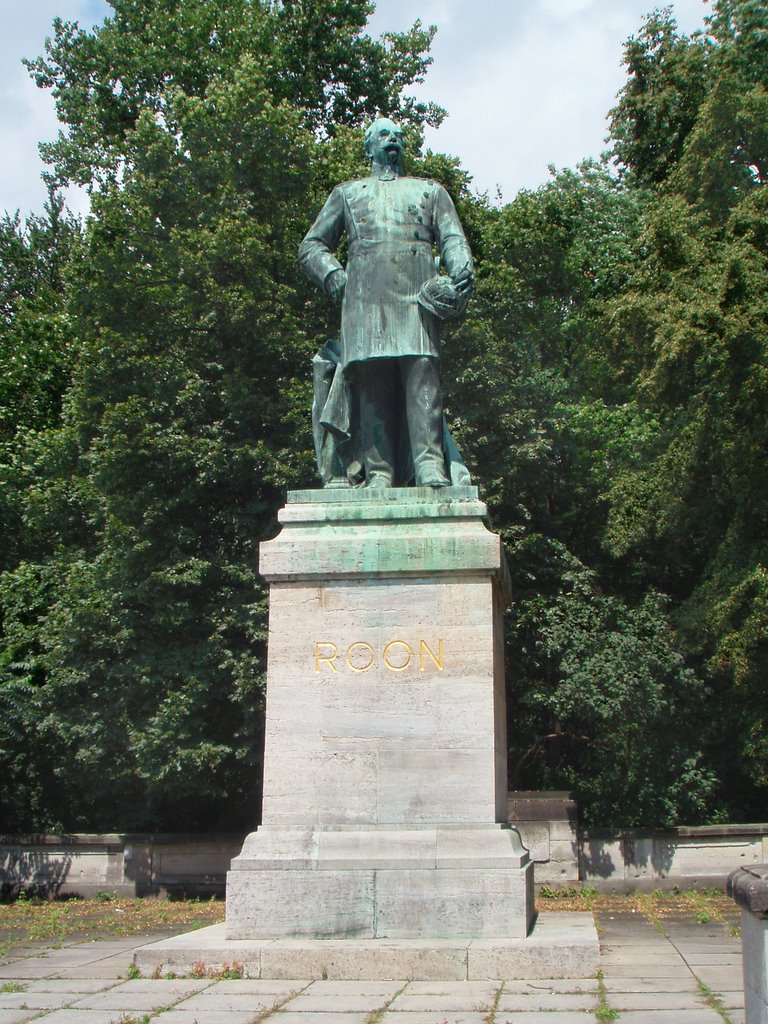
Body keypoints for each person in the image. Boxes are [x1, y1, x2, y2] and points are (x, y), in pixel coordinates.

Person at [298, 117, 473, 488]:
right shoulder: (347, 193)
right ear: (369, 147)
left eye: (398, 136)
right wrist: (333, 276)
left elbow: (453, 238)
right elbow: (311, 245)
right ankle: (379, 473)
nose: (392, 140)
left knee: (422, 377)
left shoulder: (430, 191)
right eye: (383, 135)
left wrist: (460, 269)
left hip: (418, 300)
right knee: (373, 386)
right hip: (365, 302)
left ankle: (430, 466)